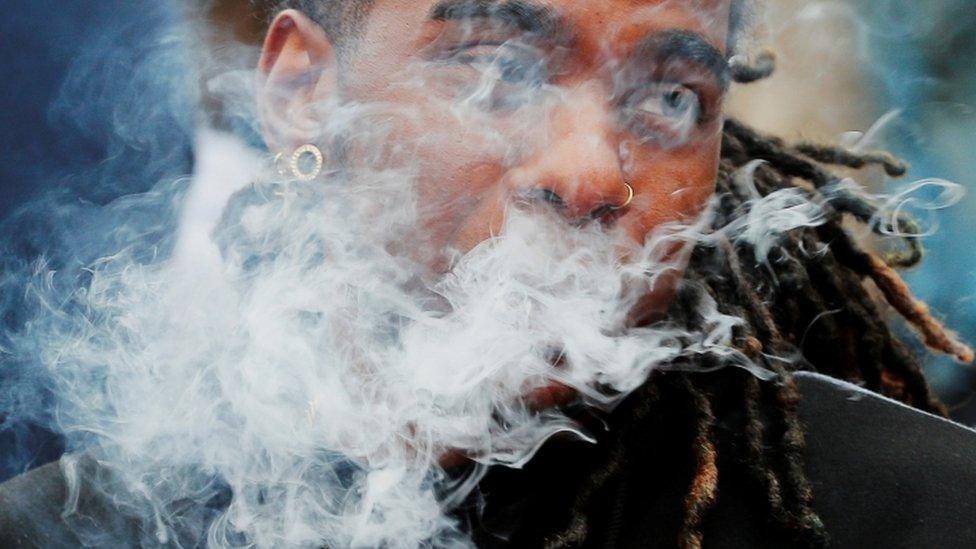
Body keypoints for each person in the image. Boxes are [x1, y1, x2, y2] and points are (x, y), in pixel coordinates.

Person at [2, 1, 976, 548]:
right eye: (496, 72)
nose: (591, 172)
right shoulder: (80, 531)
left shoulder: (919, 516)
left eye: (674, 98)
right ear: (301, 89)